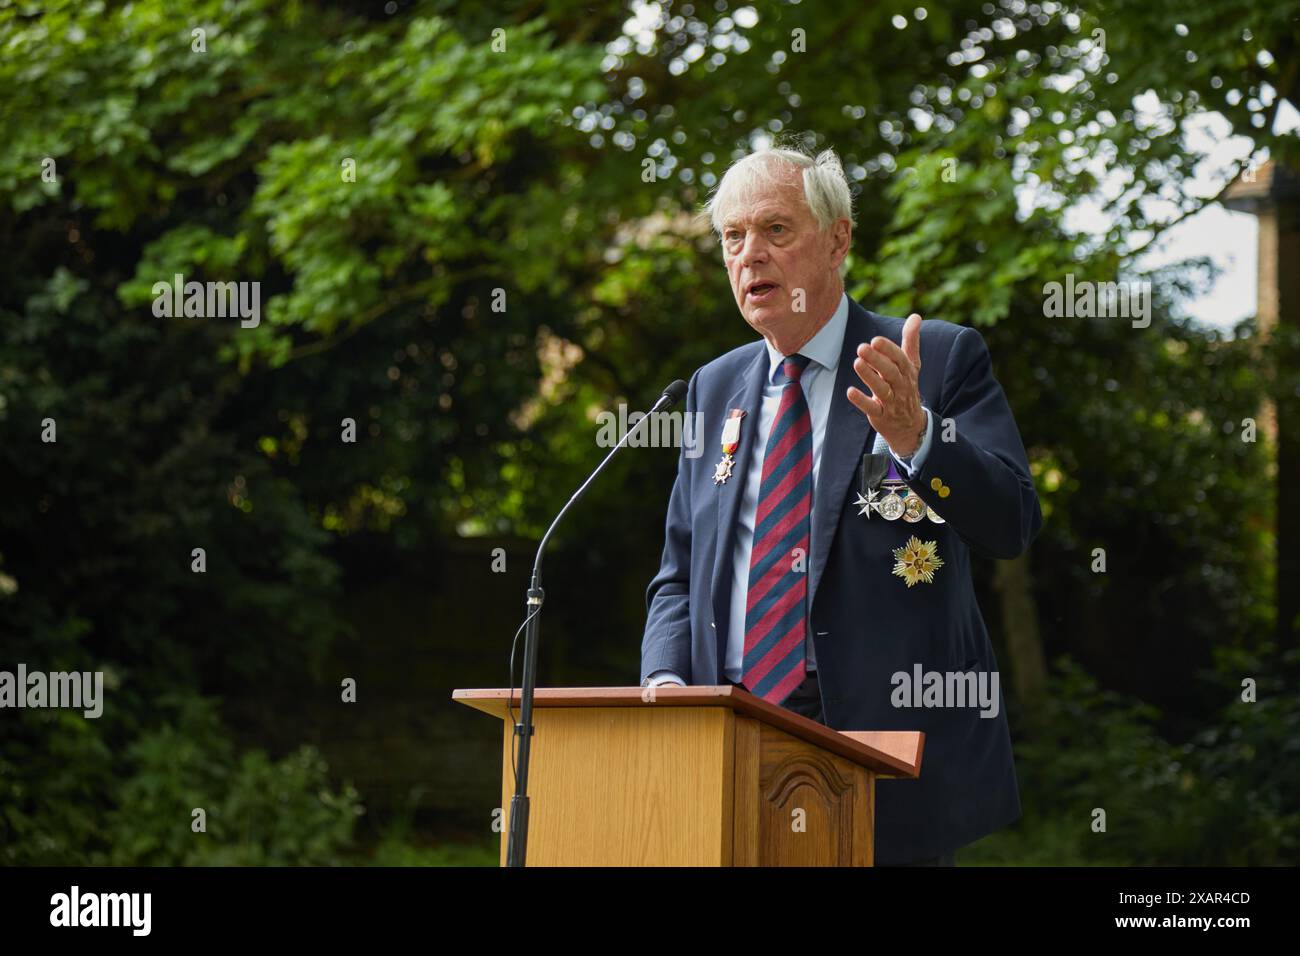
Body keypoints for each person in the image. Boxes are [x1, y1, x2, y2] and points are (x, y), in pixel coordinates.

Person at [639, 142, 1042, 866]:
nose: (749, 254)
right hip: (722, 745)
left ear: (838, 239)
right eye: (732, 237)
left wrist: (920, 439)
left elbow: (1011, 522)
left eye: (775, 230)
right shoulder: (710, 389)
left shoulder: (932, 360)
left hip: (877, 758)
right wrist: (666, 683)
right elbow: (680, 570)